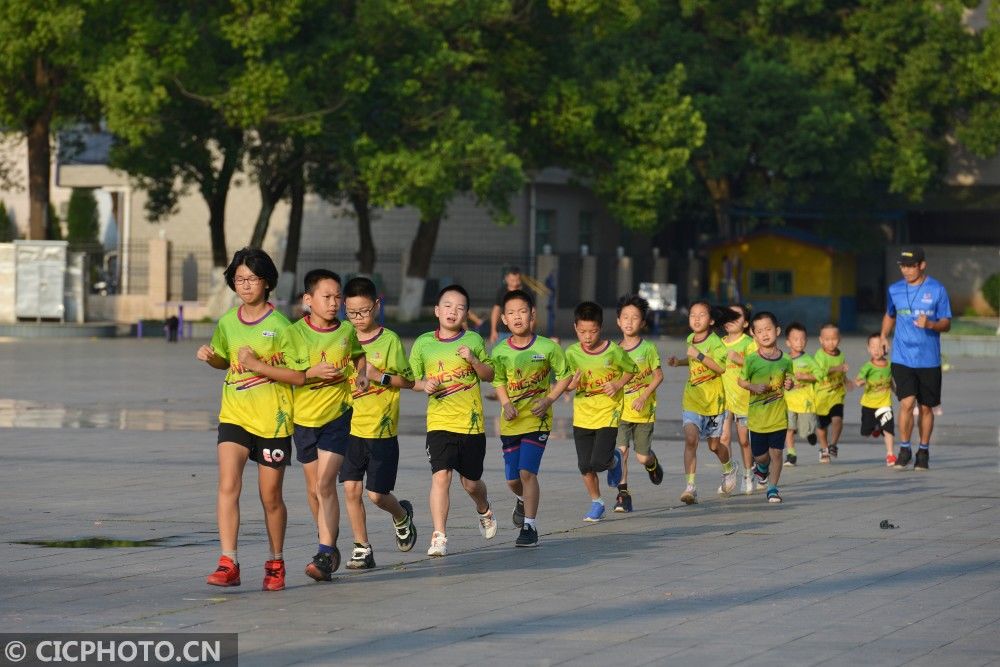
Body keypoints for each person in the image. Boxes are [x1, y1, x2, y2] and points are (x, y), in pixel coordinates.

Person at [238, 269, 368, 583]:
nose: (334, 302)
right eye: (327, 296)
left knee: (325, 484)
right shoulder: (293, 334)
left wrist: (362, 374)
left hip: (337, 416)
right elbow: (282, 370)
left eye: (337, 296)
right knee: (313, 491)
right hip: (303, 420)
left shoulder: (346, 332)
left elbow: (359, 357)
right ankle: (329, 545)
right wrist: (302, 371)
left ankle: (325, 551)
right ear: (308, 300)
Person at [197, 247, 294, 591]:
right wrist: (211, 358)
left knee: (270, 497)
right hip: (234, 414)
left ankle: (276, 561)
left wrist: (258, 366)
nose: (245, 285)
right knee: (228, 485)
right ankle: (229, 561)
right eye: (239, 279)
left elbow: (298, 375)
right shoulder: (226, 322)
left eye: (252, 278)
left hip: (273, 421)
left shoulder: (282, 326)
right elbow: (224, 359)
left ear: (266, 282)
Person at [409, 284, 498, 556]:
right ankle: (439, 536)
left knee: (471, 483)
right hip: (439, 422)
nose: (452, 311)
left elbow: (489, 375)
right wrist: (424, 385)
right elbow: (410, 378)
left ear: (466, 314)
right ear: (437, 310)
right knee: (441, 477)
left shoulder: (473, 341)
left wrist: (472, 360)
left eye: (459, 307)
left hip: (471, 424)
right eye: (447, 305)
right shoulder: (423, 343)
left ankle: (483, 508)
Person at [340, 276, 418, 569]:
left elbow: (408, 381)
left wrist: (379, 376)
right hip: (349, 427)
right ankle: (362, 546)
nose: (359, 319)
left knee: (376, 495)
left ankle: (401, 515)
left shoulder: (390, 340)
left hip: (381, 429)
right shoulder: (343, 338)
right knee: (350, 488)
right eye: (351, 313)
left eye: (364, 311)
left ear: (376, 305)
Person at [490, 289, 572, 546]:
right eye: (511, 313)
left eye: (522, 312)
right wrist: (505, 403)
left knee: (527, 472)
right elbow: (498, 380)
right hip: (511, 422)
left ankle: (529, 526)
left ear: (532, 315)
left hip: (538, 420)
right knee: (513, 479)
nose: (517, 317)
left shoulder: (548, 347)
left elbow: (565, 376)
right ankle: (523, 499)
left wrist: (548, 399)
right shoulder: (500, 350)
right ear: (504, 319)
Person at [880, 246, 951, 471]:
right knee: (907, 403)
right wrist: (883, 335)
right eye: (903, 266)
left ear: (922, 265)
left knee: (926, 408)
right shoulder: (895, 290)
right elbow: (890, 315)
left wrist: (930, 324)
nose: (907, 270)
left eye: (911, 266)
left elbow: (946, 323)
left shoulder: (937, 289)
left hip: (929, 359)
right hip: (902, 357)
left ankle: (923, 450)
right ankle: (904, 449)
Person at [564, 301, 636, 522]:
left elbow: (631, 370)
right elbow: (565, 383)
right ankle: (597, 503)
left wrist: (617, 384)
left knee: (599, 462)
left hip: (608, 412)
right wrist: (571, 385)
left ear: (601, 328)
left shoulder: (613, 351)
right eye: (583, 331)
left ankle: (613, 460)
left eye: (593, 331)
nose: (587, 337)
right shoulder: (571, 353)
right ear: (575, 328)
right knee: (585, 465)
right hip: (583, 415)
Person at [667, 302, 740, 504]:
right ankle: (690, 487)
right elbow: (692, 361)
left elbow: (720, 368)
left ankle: (729, 467)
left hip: (713, 402)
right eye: (692, 315)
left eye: (701, 315)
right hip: (692, 399)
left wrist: (698, 354)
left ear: (711, 320)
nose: (696, 319)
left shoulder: (716, 343)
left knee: (715, 446)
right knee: (691, 439)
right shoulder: (691, 338)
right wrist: (679, 362)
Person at [613, 294, 665, 513]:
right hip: (620, 412)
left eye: (634, 317)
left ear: (642, 322)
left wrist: (644, 396)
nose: (629, 321)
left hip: (643, 411)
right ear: (618, 321)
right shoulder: (614, 349)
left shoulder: (648, 349)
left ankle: (652, 464)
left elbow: (658, 376)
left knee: (641, 456)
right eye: (625, 317)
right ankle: (623, 494)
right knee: (621, 452)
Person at [738, 312, 794, 504]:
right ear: (754, 334)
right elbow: (741, 380)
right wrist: (753, 386)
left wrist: (790, 384)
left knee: (777, 453)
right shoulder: (751, 360)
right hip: (758, 418)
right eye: (759, 331)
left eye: (768, 329)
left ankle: (772, 489)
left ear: (777, 331)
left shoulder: (786, 359)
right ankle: (761, 468)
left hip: (778, 416)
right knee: (760, 456)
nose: (764, 334)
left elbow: (790, 378)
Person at [719, 304, 756, 493]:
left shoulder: (749, 343)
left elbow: (758, 364)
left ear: (746, 322)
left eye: (736, 316)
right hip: (724, 399)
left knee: (744, 440)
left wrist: (739, 359)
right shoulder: (718, 343)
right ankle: (729, 473)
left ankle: (749, 473)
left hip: (744, 398)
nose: (731, 319)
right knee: (723, 437)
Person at [854, 332, 896, 466]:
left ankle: (890, 454)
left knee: (889, 428)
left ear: (886, 347)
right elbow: (858, 379)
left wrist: (898, 393)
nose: (877, 350)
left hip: (884, 403)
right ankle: (875, 427)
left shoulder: (890, 365)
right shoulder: (868, 366)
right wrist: (860, 382)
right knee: (865, 432)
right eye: (873, 347)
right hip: (869, 404)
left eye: (880, 347)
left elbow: (890, 382)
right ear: (868, 349)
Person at [783, 322, 820, 467]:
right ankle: (791, 454)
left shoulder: (809, 360)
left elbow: (818, 376)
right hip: (789, 401)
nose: (799, 342)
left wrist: (805, 376)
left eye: (802, 339)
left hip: (806, 401)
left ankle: (810, 433)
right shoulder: (784, 360)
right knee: (789, 428)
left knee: (805, 431)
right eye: (795, 339)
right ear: (788, 342)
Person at [813, 323, 847, 463]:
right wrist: (837, 368)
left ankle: (833, 444)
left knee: (837, 419)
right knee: (822, 426)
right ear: (821, 340)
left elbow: (841, 373)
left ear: (839, 339)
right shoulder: (819, 355)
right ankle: (824, 448)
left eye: (833, 339)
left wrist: (847, 380)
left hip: (837, 395)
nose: (830, 342)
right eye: (827, 339)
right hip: (821, 397)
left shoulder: (841, 355)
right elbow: (821, 372)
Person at [489, 266, 524, 344]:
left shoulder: (526, 291)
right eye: (512, 280)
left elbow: (533, 313)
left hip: (521, 333)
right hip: (503, 332)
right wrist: (493, 330)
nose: (515, 283)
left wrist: (529, 332)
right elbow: (496, 311)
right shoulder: (502, 292)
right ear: (507, 279)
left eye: (517, 280)